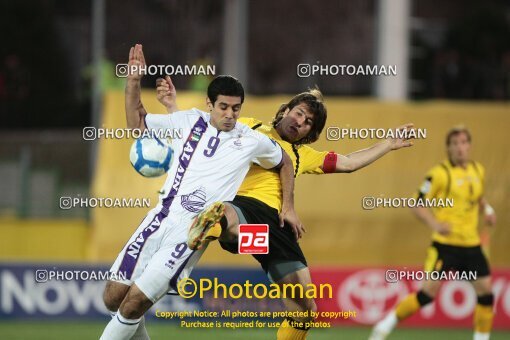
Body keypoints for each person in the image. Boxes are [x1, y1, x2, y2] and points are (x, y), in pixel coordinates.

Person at [157, 76, 415, 340]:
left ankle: (214, 228)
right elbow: (202, 127)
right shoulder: (249, 127)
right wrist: (172, 107)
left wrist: (388, 144)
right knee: (229, 215)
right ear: (285, 111)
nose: (300, 122)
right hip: (243, 206)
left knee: (305, 308)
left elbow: (348, 162)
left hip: (273, 230)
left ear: (310, 133)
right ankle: (211, 225)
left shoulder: (303, 155)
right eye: (299, 113)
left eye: (308, 123)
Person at [100, 44, 298, 340]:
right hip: (159, 217)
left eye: (236, 108)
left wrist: (288, 207)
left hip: (192, 231)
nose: (230, 114)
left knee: (135, 303)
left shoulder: (252, 140)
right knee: (113, 299)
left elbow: (284, 161)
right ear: (209, 103)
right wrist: (132, 81)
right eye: (223, 107)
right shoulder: (188, 120)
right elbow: (137, 124)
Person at [370, 126, 497, 340]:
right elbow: (416, 203)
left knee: (486, 294)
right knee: (427, 295)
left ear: (469, 146)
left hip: (472, 245)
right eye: (454, 144)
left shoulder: (478, 170)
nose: (460, 148)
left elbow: (477, 197)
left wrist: (488, 209)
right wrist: (435, 224)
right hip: (445, 246)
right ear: (448, 148)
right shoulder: (439, 174)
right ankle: (385, 324)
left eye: (463, 143)